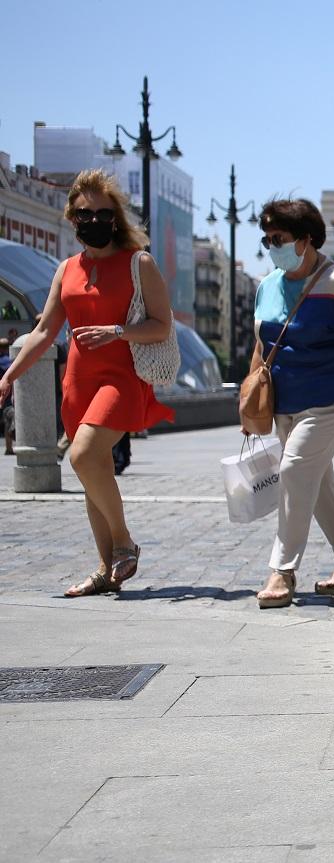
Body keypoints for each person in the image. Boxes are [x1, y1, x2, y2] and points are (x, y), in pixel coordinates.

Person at [0, 169, 174, 596]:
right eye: (83, 213)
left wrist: (116, 332)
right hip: (77, 382)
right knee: (89, 469)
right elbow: (44, 331)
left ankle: (124, 542)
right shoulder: (67, 270)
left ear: (115, 217)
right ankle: (104, 571)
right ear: (71, 218)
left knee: (82, 454)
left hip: (120, 379)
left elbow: (162, 326)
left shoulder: (139, 263)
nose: (92, 220)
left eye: (101, 212)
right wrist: (9, 375)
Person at [250, 198, 334, 609]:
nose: (272, 245)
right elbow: (262, 346)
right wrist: (250, 397)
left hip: (332, 398)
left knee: (294, 467)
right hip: (284, 401)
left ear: (306, 240)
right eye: (267, 239)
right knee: (316, 478)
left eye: (279, 238)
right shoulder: (267, 285)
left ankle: (282, 570)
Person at [0, 338, 13, 455]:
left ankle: (9, 448)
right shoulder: (9, 361)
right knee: (8, 422)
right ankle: (9, 448)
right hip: (7, 396)